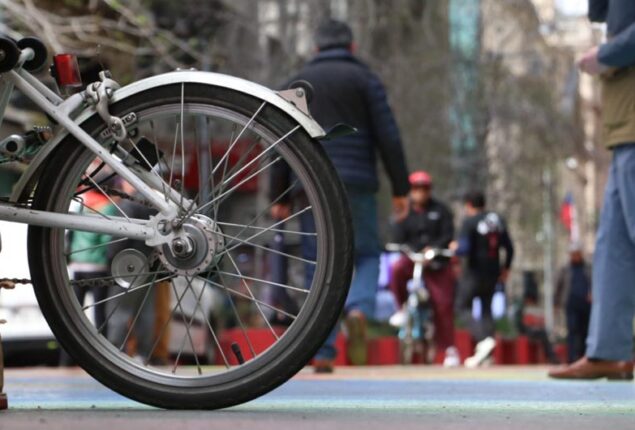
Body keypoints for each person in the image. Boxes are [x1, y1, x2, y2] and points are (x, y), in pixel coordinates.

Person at [270, 18, 410, 373]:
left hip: (310, 187)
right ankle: (359, 307)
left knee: (321, 265)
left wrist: (279, 193)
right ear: (352, 47)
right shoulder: (365, 80)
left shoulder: (296, 84)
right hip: (358, 182)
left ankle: (324, 350)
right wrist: (400, 188)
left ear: (315, 48)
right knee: (365, 254)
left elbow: (280, 139)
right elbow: (389, 135)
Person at [549, 0, 635, 380]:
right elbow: (599, 13)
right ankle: (608, 352)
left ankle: (610, 351)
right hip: (622, 128)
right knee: (611, 248)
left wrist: (607, 52)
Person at [389, 171, 459, 366]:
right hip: (412, 259)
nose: (421, 193)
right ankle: (401, 308)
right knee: (396, 269)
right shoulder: (404, 211)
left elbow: (448, 234)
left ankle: (448, 349)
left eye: (425, 188)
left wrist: (434, 249)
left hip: (435, 262)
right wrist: (410, 250)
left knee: (443, 303)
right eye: (417, 188)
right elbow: (397, 237)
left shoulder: (441, 210)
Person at [453, 191, 514, 367]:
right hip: (493, 272)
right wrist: (506, 268)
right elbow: (509, 247)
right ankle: (487, 356)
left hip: (474, 272)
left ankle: (482, 340)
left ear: (469, 205)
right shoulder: (497, 220)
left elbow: (464, 249)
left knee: (462, 306)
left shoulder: (469, 221)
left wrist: (455, 248)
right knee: (486, 309)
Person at [555, 243, 592, 364]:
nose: (575, 256)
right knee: (572, 330)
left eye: (577, 254)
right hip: (571, 303)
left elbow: (594, 283)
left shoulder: (588, 268)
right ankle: (571, 358)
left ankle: (584, 357)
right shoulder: (565, 269)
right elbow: (558, 286)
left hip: (586, 304)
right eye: (572, 254)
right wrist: (556, 302)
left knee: (585, 331)